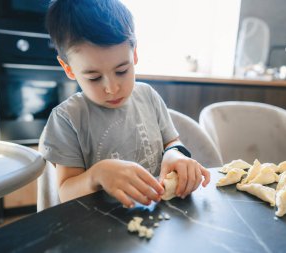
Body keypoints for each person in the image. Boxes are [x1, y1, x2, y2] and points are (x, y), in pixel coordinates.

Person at [39, 0, 210, 208]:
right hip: (100, 227)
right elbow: (66, 192)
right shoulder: (67, 119)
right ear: (69, 69)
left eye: (121, 71)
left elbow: (171, 142)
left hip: (156, 216)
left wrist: (174, 154)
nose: (112, 88)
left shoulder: (148, 96)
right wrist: (97, 175)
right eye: (94, 77)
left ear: (134, 53)